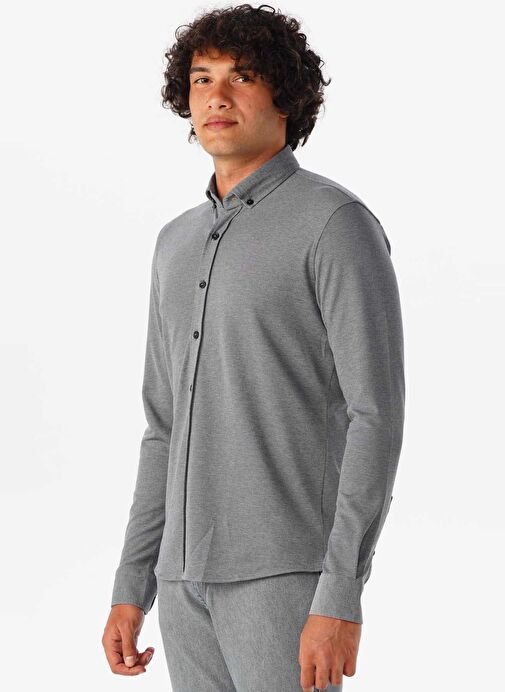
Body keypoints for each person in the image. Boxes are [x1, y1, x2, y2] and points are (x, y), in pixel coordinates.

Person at [101, 5, 405, 691]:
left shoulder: (335, 224)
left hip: (285, 574)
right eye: (201, 78)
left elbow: (374, 416)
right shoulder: (174, 243)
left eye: (241, 77)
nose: (216, 96)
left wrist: (340, 590)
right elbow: (163, 428)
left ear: (285, 97)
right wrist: (132, 582)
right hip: (181, 581)